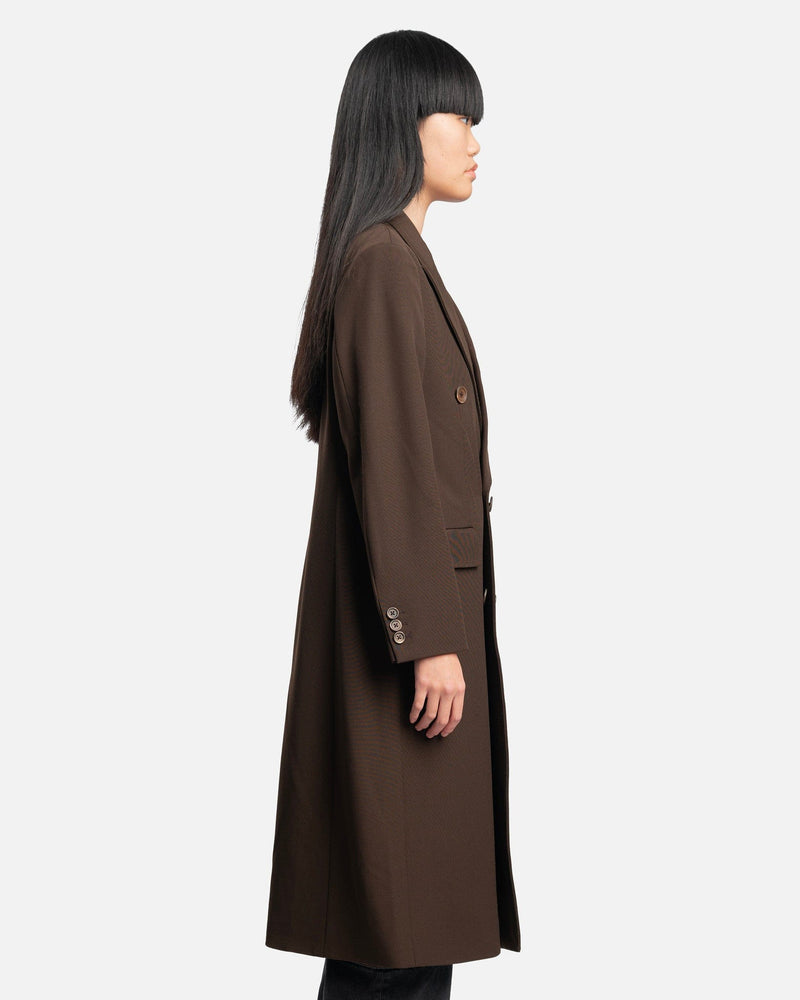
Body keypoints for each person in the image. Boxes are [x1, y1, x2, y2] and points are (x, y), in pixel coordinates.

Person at [265, 29, 521, 999]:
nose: (474, 140)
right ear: (400, 123)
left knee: (409, 932)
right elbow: (396, 472)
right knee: (393, 942)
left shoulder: (396, 260)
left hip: (416, 644)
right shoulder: (381, 263)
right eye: (457, 115)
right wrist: (429, 639)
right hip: (404, 654)